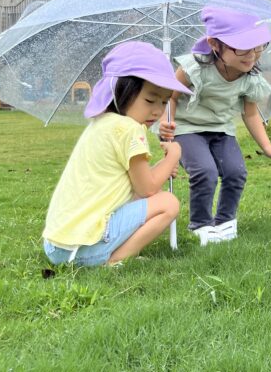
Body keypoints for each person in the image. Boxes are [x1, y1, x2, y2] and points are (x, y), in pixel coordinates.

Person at [42, 41, 192, 267]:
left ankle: (104, 253)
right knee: (168, 202)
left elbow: (137, 184)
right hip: (83, 248)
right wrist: (173, 156)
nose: (158, 110)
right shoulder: (129, 129)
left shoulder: (103, 123)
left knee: (149, 198)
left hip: (56, 247)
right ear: (122, 90)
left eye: (164, 101)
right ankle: (114, 259)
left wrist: (163, 166)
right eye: (150, 100)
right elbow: (147, 187)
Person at [159, 5, 271, 245]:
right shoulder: (194, 67)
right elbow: (171, 96)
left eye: (258, 47)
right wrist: (165, 125)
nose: (251, 55)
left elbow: (250, 114)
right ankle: (200, 224)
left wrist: (268, 147)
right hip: (188, 128)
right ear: (214, 44)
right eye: (242, 48)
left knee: (236, 172)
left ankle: (225, 222)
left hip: (221, 130)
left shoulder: (250, 77)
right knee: (205, 172)